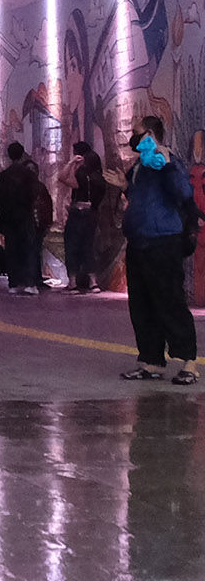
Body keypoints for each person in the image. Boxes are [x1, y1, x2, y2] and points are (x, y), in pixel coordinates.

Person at [118, 114, 199, 384]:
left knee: (170, 302)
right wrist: (125, 187)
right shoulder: (139, 166)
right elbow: (142, 198)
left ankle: (188, 362)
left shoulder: (167, 161)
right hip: (138, 243)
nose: (133, 137)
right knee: (141, 305)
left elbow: (183, 193)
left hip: (163, 242)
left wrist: (166, 166)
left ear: (150, 134)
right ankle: (151, 360)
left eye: (137, 132)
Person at [0, 142, 51, 295]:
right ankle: (30, 283)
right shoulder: (29, 175)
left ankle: (13, 283)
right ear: (22, 154)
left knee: (12, 250)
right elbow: (33, 195)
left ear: (9, 155)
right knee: (29, 249)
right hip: (25, 217)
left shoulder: (3, 176)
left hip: (8, 218)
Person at [58, 140, 108, 292]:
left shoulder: (82, 177)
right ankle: (93, 282)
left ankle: (73, 282)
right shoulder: (100, 179)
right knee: (88, 247)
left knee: (72, 245)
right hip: (92, 214)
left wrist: (72, 163)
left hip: (78, 213)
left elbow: (62, 177)